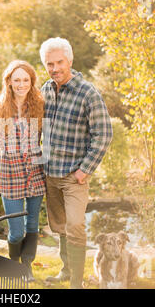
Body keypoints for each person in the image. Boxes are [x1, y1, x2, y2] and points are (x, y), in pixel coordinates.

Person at [39, 37, 113, 288]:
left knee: (75, 225)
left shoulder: (87, 92)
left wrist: (85, 170)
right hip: (50, 174)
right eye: (50, 64)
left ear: (70, 60)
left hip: (74, 176)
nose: (55, 68)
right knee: (60, 226)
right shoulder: (46, 89)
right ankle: (67, 271)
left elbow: (103, 134)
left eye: (59, 62)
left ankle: (77, 282)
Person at [0, 60, 46, 282]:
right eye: (17, 80)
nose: (22, 84)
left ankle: (27, 266)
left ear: (31, 82)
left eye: (26, 79)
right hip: (10, 172)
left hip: (35, 170)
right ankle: (15, 266)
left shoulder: (40, 105)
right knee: (16, 231)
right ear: (9, 82)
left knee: (32, 224)